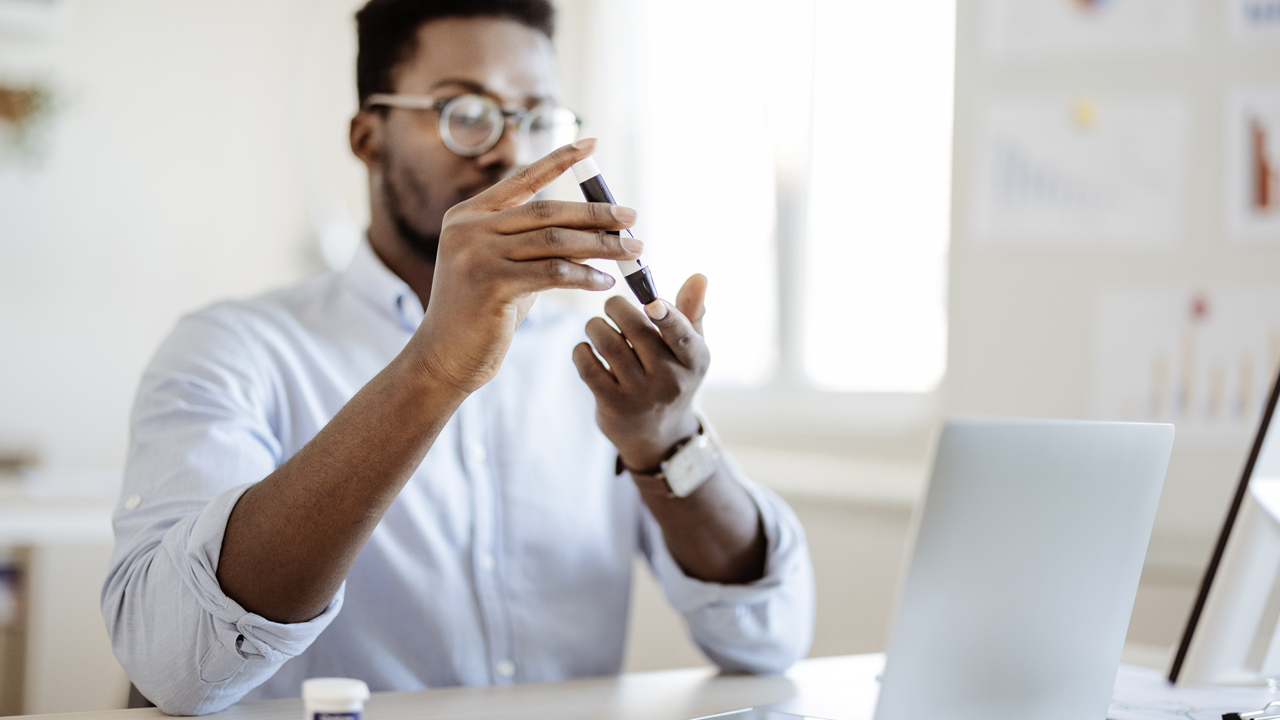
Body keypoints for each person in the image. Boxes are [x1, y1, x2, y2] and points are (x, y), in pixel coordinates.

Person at [101, 0, 815, 714]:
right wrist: (435, 368)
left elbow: (770, 636)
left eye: (536, 117)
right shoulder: (231, 350)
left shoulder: (604, 368)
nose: (507, 152)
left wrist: (666, 441)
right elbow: (177, 666)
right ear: (367, 137)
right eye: (465, 111)